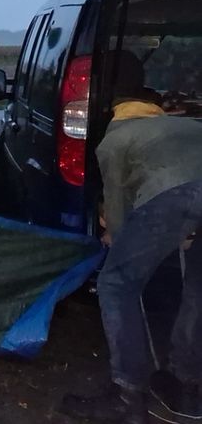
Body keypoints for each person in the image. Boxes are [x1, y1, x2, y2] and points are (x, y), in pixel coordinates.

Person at [60, 51, 202, 423]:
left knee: (117, 284)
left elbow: (121, 216)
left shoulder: (115, 140)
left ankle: (127, 396)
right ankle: (187, 388)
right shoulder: (189, 126)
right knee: (198, 288)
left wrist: (114, 238)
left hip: (170, 196)